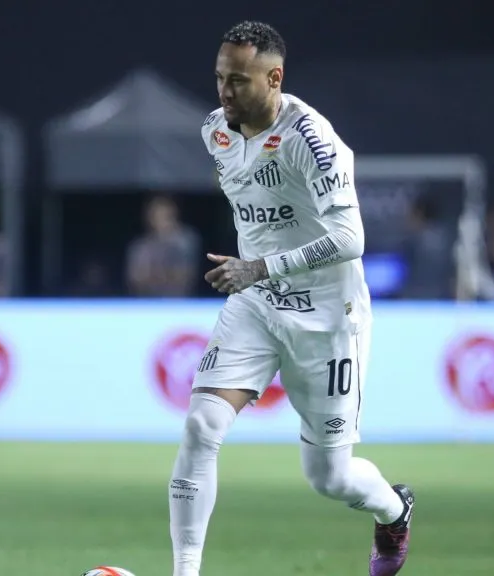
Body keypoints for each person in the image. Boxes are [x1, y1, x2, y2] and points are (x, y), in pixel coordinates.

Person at [168, 21, 414, 576]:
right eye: (218, 79)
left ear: (274, 77)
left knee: (328, 477)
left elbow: (353, 240)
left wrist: (261, 264)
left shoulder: (312, 139)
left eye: (238, 81)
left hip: (329, 317)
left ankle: (394, 510)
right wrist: (257, 273)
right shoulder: (216, 131)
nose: (224, 93)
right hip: (256, 304)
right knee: (201, 426)